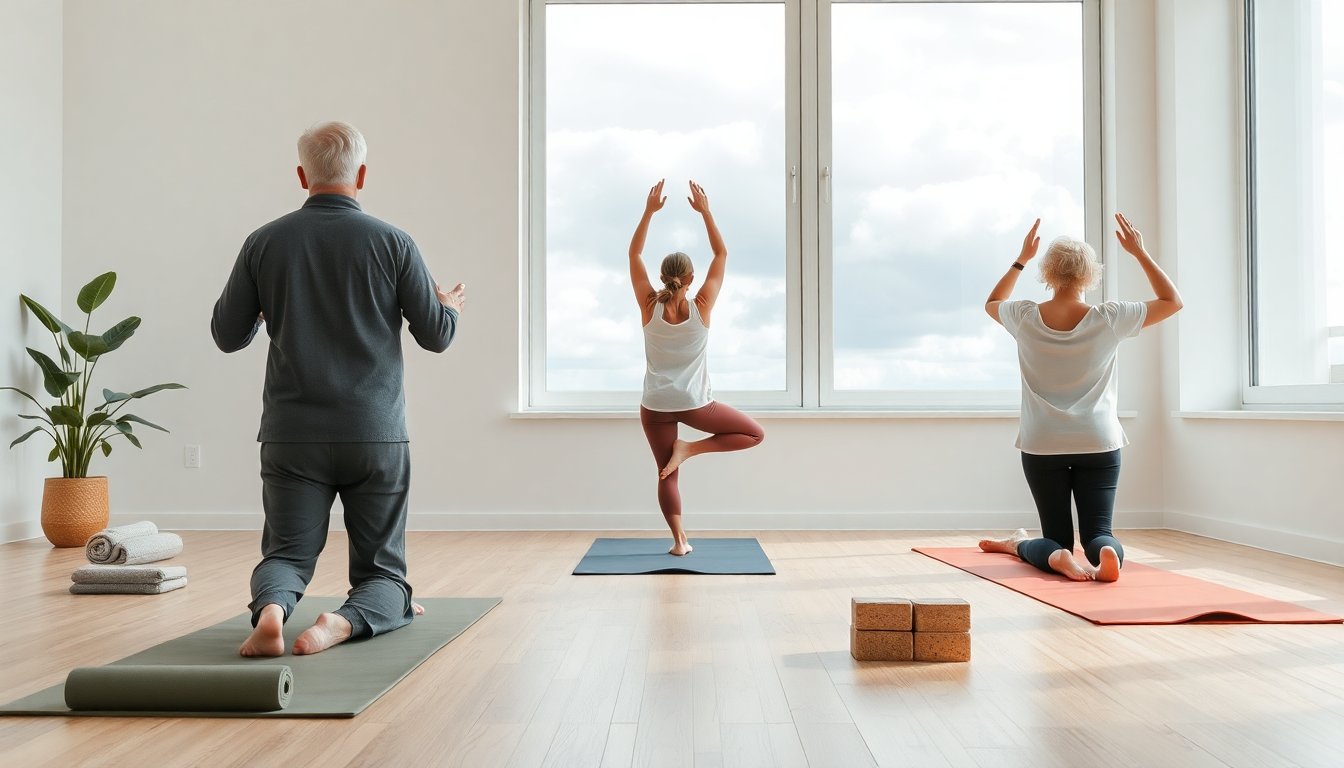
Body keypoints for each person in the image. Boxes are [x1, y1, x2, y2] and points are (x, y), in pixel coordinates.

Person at [212, 121, 465, 656]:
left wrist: (263, 308)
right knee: (383, 575)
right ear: (363, 175)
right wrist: (451, 308)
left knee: (286, 553)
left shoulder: (264, 242)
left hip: (292, 434)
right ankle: (343, 621)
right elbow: (436, 337)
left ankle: (275, 611)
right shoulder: (394, 242)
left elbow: (226, 335)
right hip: (374, 434)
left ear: (302, 175)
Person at [978, 214, 1182, 582]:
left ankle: (1055, 557)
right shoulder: (1110, 317)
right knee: (1098, 530)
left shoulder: (1024, 316)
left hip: (1043, 442)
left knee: (1054, 536)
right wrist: (1139, 252)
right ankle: (1106, 552)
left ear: (1048, 274)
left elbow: (993, 301)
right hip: (1098, 441)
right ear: (1091, 274)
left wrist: (1020, 258)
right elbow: (1172, 300)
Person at [629, 180, 764, 556]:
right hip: (693, 403)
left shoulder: (648, 304)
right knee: (754, 434)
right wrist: (705, 211)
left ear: (663, 276)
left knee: (666, 472)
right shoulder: (702, 305)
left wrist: (649, 211)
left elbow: (633, 254)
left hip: (654, 404)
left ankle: (679, 542)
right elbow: (721, 253)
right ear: (690, 279)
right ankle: (689, 449)